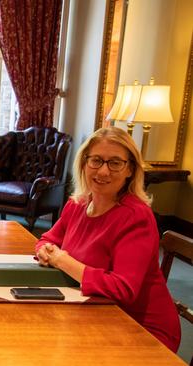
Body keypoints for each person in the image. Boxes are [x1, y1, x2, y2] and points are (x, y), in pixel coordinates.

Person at [35, 126, 181, 352]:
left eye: (115, 163)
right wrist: (45, 249)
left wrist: (61, 260)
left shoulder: (136, 217)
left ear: (130, 169)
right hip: (92, 312)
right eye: (96, 161)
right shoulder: (78, 203)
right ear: (84, 163)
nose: (103, 172)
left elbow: (122, 288)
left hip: (138, 328)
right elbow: (47, 239)